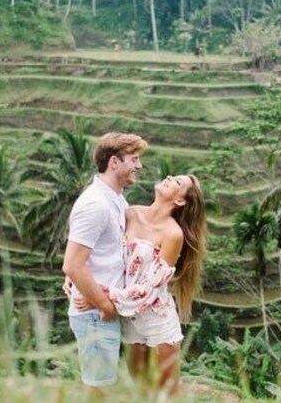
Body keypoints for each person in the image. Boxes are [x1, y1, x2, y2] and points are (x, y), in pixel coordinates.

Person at [74, 173, 207, 395]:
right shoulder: (130, 213)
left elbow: (149, 291)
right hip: (130, 321)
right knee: (141, 392)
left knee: (167, 395)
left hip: (158, 322)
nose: (169, 177)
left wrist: (102, 297)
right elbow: (99, 248)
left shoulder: (173, 234)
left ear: (180, 201)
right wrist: (74, 275)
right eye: (173, 176)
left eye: (177, 182)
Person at [61, 132, 148, 390]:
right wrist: (105, 305)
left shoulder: (115, 199)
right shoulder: (96, 204)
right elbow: (72, 264)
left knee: (103, 385)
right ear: (114, 162)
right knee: (99, 389)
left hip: (99, 310)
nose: (139, 165)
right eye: (134, 159)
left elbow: (85, 254)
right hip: (95, 314)